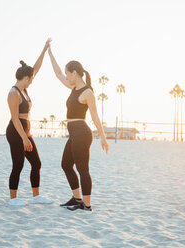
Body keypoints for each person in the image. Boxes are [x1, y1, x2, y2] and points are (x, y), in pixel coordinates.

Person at [48, 42, 109, 211]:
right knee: (66, 164)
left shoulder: (87, 92)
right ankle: (76, 199)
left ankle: (87, 205)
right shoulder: (73, 87)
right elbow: (58, 73)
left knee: (82, 168)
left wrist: (103, 137)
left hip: (82, 133)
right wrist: (49, 52)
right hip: (74, 134)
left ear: (74, 73)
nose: (66, 77)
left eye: (69, 74)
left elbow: (95, 116)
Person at [6, 39, 53, 206]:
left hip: (26, 131)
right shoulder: (14, 93)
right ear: (25, 78)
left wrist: (44, 50)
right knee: (18, 165)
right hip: (16, 130)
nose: (32, 80)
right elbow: (14, 118)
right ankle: (13, 199)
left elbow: (36, 68)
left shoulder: (24, 89)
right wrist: (24, 138)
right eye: (31, 79)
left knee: (36, 163)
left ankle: (36, 196)